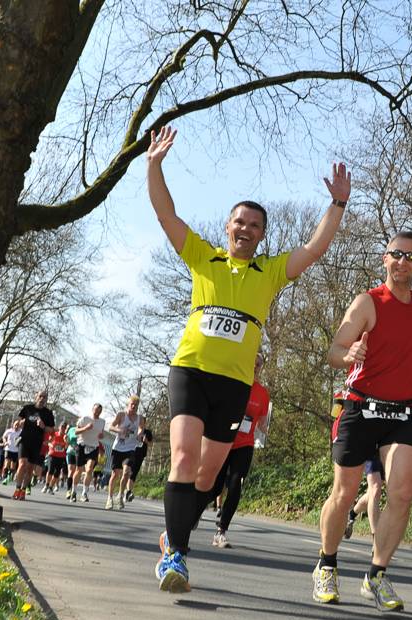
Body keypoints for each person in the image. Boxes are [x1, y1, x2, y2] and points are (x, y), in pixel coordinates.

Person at [146, 125, 351, 593]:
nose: (246, 229)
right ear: (228, 226)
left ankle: (174, 534)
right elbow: (165, 212)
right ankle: (176, 554)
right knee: (183, 455)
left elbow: (315, 248)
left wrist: (336, 205)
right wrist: (154, 165)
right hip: (191, 370)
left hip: (234, 383)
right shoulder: (202, 257)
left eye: (255, 225)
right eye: (239, 222)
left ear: (261, 235)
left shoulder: (271, 271)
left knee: (209, 472)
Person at [311, 231, 412, 610]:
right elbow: (334, 351)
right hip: (360, 407)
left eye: (411, 257)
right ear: (385, 258)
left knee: (402, 492)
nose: (403, 262)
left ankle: (377, 574)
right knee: (345, 493)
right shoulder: (368, 302)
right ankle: (326, 565)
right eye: (397, 255)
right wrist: (349, 355)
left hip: (401, 412)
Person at [209, 355, 270, 548]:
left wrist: (264, 428)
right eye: (253, 361)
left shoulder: (262, 393)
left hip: (245, 444)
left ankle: (221, 531)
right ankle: (192, 513)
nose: (255, 366)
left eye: (259, 364)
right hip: (224, 440)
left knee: (236, 485)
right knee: (215, 486)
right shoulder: (233, 384)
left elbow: (261, 421)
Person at [13, 392, 54, 499]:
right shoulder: (27, 408)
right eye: (40, 396)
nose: (42, 398)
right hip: (24, 440)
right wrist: (17, 424)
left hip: (36, 443)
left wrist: (43, 426)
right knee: (22, 464)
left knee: (30, 468)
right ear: (36, 397)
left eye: (44, 397)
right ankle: (17, 488)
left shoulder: (48, 413)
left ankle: (23, 490)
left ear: (46, 400)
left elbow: (51, 430)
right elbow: (18, 421)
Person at [106, 396, 143, 510]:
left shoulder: (140, 418)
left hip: (130, 448)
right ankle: (109, 498)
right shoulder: (121, 415)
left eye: (136, 405)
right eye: (132, 404)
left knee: (127, 472)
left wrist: (140, 435)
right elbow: (110, 427)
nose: (133, 406)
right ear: (128, 404)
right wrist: (120, 430)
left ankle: (120, 495)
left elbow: (141, 429)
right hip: (118, 448)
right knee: (115, 474)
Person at [344, 457, 384, 541]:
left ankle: (352, 514)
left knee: (372, 493)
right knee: (375, 489)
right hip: (371, 448)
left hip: (388, 448)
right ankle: (376, 541)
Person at [72, 404, 105, 503]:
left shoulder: (102, 422)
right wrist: (85, 428)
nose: (97, 412)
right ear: (92, 409)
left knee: (90, 469)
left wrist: (101, 436)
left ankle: (84, 493)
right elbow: (76, 432)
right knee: (79, 469)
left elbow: (101, 435)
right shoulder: (85, 419)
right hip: (82, 445)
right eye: (96, 410)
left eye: (99, 411)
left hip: (94, 447)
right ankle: (73, 491)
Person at [125, 427, 153, 503]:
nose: (141, 423)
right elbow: (126, 438)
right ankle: (126, 491)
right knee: (127, 472)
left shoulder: (147, 432)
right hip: (130, 453)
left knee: (133, 474)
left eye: (143, 422)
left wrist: (146, 441)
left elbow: (151, 443)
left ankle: (128, 492)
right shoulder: (133, 429)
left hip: (140, 456)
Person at [44, 421, 69, 494]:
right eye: (62, 427)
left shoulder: (66, 437)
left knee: (57, 473)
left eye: (64, 428)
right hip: (52, 454)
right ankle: (46, 485)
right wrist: (51, 445)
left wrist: (66, 441)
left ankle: (51, 487)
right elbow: (48, 442)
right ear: (59, 427)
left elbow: (66, 447)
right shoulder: (54, 434)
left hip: (61, 456)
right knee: (50, 470)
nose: (63, 429)